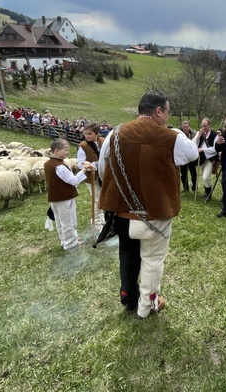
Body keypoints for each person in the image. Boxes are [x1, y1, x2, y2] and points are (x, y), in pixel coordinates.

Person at [98, 90, 198, 319]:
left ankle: (128, 298)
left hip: (121, 215)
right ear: (159, 111)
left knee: (128, 256)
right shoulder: (172, 136)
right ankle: (146, 307)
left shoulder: (115, 133)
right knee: (152, 262)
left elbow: (104, 171)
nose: (167, 117)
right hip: (154, 215)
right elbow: (192, 154)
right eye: (167, 112)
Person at [45, 138, 91, 250]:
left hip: (55, 198)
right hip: (64, 198)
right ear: (56, 151)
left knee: (60, 220)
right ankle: (70, 244)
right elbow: (73, 180)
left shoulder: (48, 163)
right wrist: (84, 169)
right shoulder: (59, 166)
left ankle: (65, 240)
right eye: (65, 150)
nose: (68, 152)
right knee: (68, 220)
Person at [77, 122, 105, 228]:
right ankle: (97, 221)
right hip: (92, 177)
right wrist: (95, 165)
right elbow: (80, 163)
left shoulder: (103, 141)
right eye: (85, 133)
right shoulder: (83, 146)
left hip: (104, 175)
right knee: (97, 199)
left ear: (97, 133)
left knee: (105, 197)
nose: (87, 136)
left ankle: (104, 217)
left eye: (89, 133)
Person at [193, 118, 219, 200]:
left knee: (205, 177)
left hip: (210, 159)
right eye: (202, 126)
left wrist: (204, 149)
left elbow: (215, 149)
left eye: (206, 126)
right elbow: (193, 144)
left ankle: (209, 193)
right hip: (201, 158)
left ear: (209, 125)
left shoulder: (215, 135)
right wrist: (198, 136)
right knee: (204, 176)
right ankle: (206, 192)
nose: (204, 128)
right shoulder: (199, 133)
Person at [179, 121, 198, 193]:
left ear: (189, 126)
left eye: (187, 126)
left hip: (191, 156)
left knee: (193, 173)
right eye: (184, 126)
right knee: (183, 173)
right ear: (182, 127)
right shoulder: (179, 134)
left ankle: (195, 188)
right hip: (183, 156)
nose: (185, 128)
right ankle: (185, 187)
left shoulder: (193, 134)